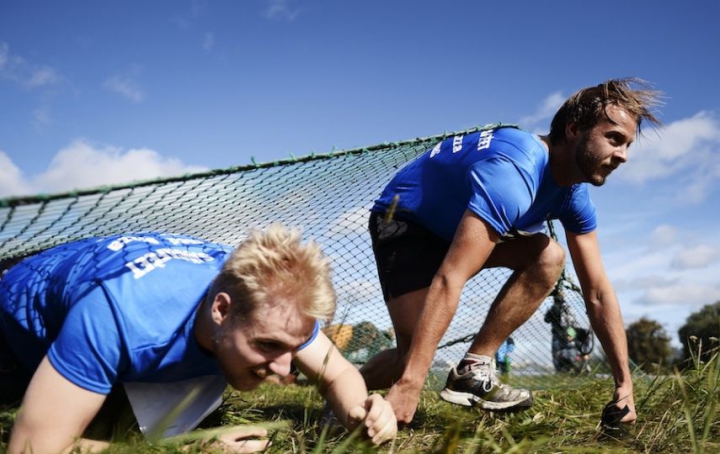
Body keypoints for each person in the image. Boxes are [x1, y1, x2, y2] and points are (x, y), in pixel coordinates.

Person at [359, 78, 662, 425]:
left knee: (549, 256)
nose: (623, 155)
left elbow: (597, 291)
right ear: (575, 129)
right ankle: (339, 382)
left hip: (455, 226)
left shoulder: (573, 195)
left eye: (627, 145)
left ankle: (473, 369)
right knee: (409, 360)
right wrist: (410, 383)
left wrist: (624, 385)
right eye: (614, 138)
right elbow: (451, 276)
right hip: (406, 219)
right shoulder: (514, 170)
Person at [0, 226, 397, 453]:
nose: (284, 369)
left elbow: (338, 373)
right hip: (16, 325)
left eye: (293, 348)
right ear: (221, 310)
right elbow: (32, 448)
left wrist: (361, 414)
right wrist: (193, 448)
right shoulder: (119, 316)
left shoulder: (279, 305)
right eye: (268, 346)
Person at [544, 290, 578, 372]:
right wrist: (572, 334)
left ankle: (560, 370)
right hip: (568, 332)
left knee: (557, 354)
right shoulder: (568, 308)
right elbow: (573, 322)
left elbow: (546, 319)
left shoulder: (553, 308)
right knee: (570, 351)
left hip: (557, 333)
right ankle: (570, 368)